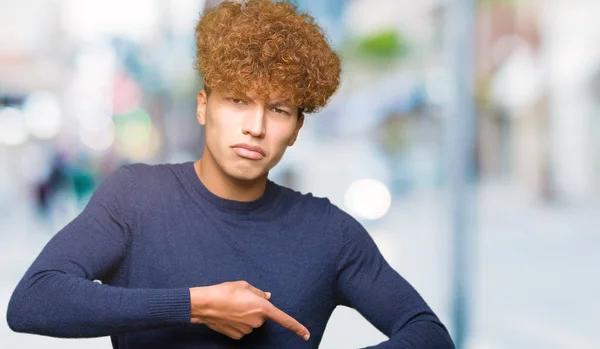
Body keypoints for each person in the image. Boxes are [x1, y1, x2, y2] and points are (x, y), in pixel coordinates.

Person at [7, 1, 455, 348]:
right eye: (238, 100)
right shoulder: (137, 198)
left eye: (277, 109)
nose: (255, 127)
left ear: (296, 128)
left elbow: (428, 333)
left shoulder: (329, 232)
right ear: (204, 106)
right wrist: (196, 305)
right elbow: (33, 301)